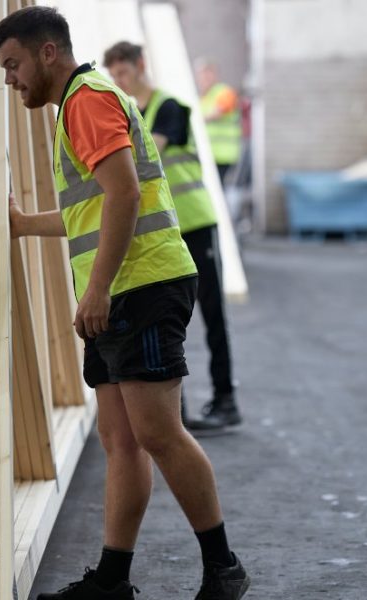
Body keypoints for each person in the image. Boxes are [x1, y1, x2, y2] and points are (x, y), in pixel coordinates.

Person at [0, 7, 250, 600]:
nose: (10, 79)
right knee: (121, 440)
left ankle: (223, 567)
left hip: (143, 286)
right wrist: (26, 224)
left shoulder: (87, 100)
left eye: (13, 65)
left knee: (159, 433)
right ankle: (112, 580)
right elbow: (95, 209)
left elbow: (125, 193)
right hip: (122, 290)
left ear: (47, 52)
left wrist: (98, 288)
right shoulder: (77, 105)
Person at [103, 41, 242, 433]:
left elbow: (146, 157)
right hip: (162, 231)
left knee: (212, 314)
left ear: (140, 65)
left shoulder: (169, 108)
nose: (119, 78)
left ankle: (226, 400)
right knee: (166, 319)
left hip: (195, 222)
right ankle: (175, 410)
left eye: (124, 71)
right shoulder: (127, 113)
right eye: (113, 73)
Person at [194, 58, 242, 183]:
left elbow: (219, 112)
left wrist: (195, 120)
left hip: (222, 155)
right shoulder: (204, 97)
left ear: (214, 74)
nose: (203, 79)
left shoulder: (225, 92)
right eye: (201, 75)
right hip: (209, 154)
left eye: (207, 74)